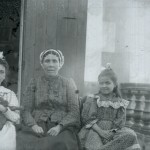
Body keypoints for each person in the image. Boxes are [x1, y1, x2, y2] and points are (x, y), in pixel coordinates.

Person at [17, 49, 80, 150]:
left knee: (62, 143)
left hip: (62, 127)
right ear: (42, 63)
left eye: (54, 61)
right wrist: (33, 125)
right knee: (26, 142)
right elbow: (26, 109)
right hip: (37, 124)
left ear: (60, 64)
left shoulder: (69, 83)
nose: (51, 65)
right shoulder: (34, 82)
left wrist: (59, 127)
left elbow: (74, 111)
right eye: (47, 61)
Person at [78, 64, 141, 150]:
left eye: (107, 83)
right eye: (101, 83)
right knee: (93, 143)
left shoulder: (119, 102)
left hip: (113, 131)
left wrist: (111, 133)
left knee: (131, 135)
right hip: (95, 130)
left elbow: (120, 121)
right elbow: (88, 119)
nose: (104, 86)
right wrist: (101, 132)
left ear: (114, 84)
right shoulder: (94, 99)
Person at [0, 52, 20, 150]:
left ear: (5, 75)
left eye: (1, 72)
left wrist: (4, 109)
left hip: (4, 129)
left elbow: (17, 118)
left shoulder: (9, 93)